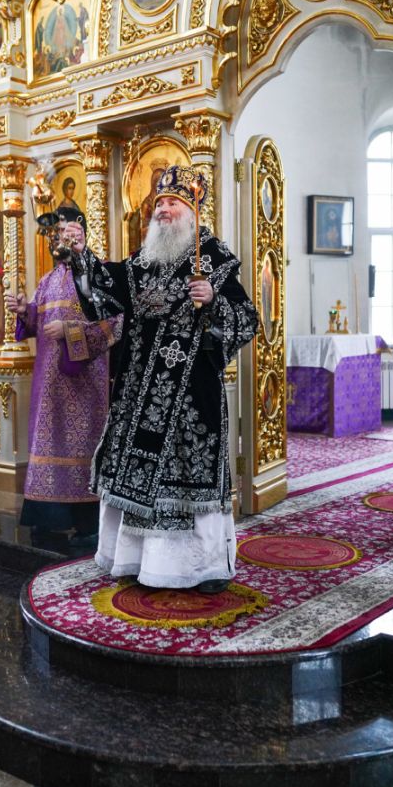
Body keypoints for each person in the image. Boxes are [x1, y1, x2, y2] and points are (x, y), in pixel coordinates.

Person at [65, 165, 259, 592]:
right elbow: (105, 290)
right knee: (135, 469)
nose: (164, 209)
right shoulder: (144, 260)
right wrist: (81, 255)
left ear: (191, 210)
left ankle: (204, 568)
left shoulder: (214, 259)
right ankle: (136, 560)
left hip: (190, 394)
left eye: (173, 202)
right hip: (138, 392)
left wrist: (213, 300)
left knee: (187, 475)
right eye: (159, 203)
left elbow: (247, 320)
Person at [5, 208, 122, 550]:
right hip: (48, 384)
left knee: (84, 449)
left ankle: (87, 525)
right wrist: (24, 310)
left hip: (85, 385)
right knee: (47, 446)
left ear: (83, 236)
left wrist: (71, 330)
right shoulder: (47, 280)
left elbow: (115, 324)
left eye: (73, 233)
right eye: (61, 234)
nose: (66, 239)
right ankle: (49, 522)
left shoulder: (100, 276)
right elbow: (36, 322)